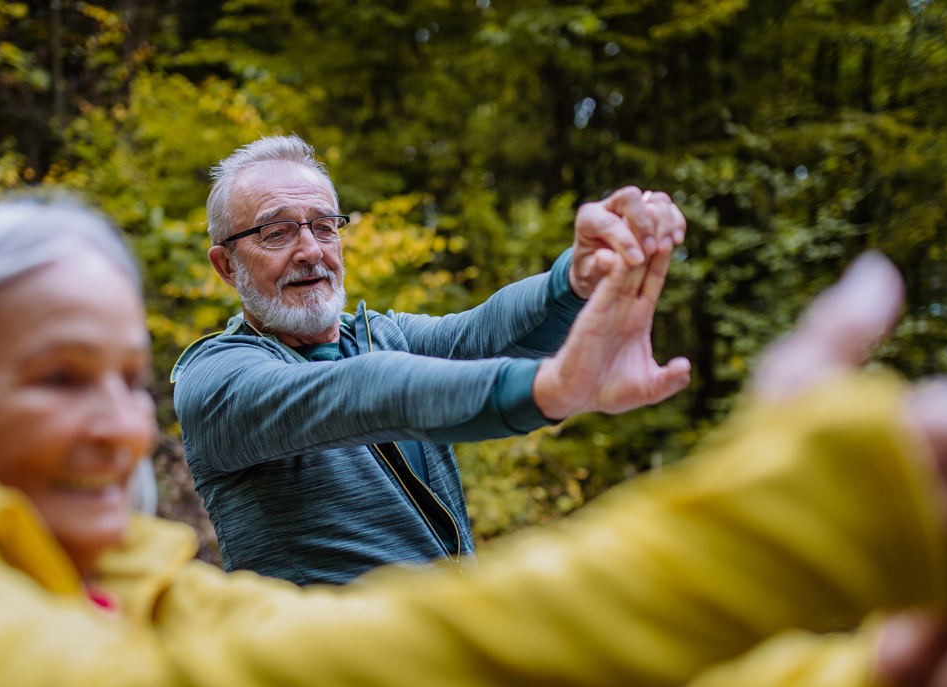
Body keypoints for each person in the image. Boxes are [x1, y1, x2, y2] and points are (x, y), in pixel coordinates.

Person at [0, 200, 947, 687]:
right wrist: (771, 533)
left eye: (123, 379)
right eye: (57, 378)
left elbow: (459, 336)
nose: (119, 422)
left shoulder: (109, 579)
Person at [172, 134, 689, 585]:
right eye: (276, 232)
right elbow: (359, 393)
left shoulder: (382, 335)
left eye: (325, 226)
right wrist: (550, 388)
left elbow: (484, 332)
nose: (310, 249)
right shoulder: (215, 378)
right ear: (227, 265)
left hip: (455, 666)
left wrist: (577, 278)